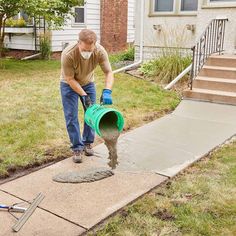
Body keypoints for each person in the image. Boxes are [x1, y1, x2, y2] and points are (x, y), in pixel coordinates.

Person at [60, 29, 114, 163]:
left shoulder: (100, 51)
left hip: (88, 82)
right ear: (78, 43)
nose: (87, 54)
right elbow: (70, 78)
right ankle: (77, 147)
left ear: (95, 44)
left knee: (91, 113)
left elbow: (109, 72)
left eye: (90, 50)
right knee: (71, 116)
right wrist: (83, 95)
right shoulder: (68, 54)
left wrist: (107, 90)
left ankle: (88, 142)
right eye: (84, 50)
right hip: (68, 84)